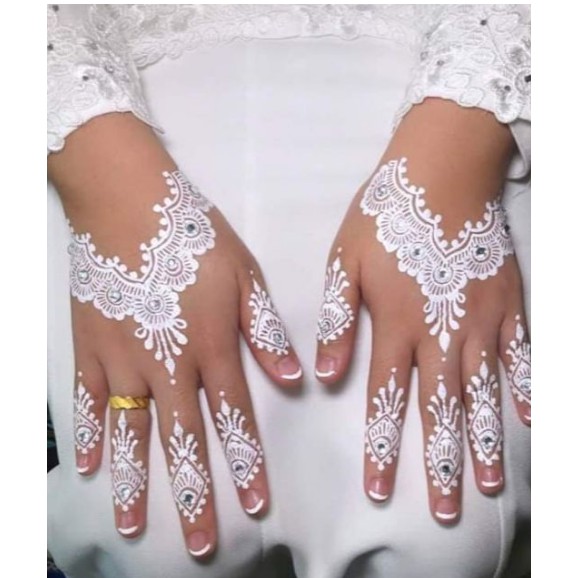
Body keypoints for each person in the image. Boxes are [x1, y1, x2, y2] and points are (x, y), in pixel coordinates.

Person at [47, 5, 531, 578]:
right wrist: (103, 167)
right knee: (155, 537)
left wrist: (463, 124)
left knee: (443, 528)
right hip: (106, 78)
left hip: (448, 61)